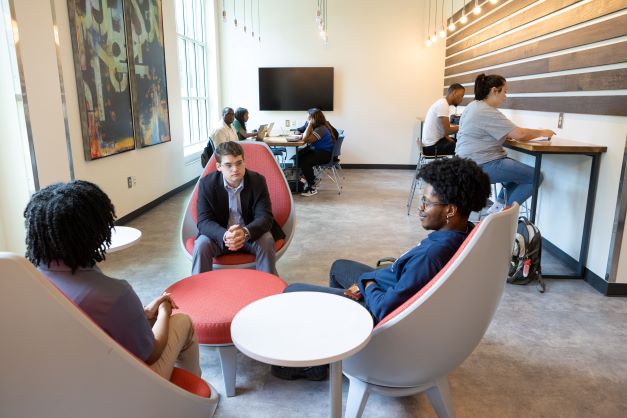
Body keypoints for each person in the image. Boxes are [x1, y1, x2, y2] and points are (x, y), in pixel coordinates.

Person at [272, 157, 490, 380]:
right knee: (340, 268)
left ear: (451, 210)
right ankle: (337, 346)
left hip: (379, 306)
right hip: (389, 284)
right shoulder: (462, 232)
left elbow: (386, 308)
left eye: (427, 202)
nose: (420, 207)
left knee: (293, 291)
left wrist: (367, 284)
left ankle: (322, 364)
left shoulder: (431, 256)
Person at [24, 180, 200, 380]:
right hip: (122, 382)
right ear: (95, 230)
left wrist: (144, 313)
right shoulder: (113, 294)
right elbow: (152, 353)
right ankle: (190, 398)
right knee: (182, 321)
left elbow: (97, 323)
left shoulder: (30, 279)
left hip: (65, 374)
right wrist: (163, 312)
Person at [455, 73, 555, 213]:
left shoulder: (473, 106)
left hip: (466, 163)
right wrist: (542, 132)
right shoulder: (486, 111)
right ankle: (502, 216)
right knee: (536, 176)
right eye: (505, 91)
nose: (505, 96)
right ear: (495, 90)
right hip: (481, 165)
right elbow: (520, 134)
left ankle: (498, 208)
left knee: (514, 175)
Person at [192, 141, 285, 275]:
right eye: (228, 165)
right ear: (218, 166)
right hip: (220, 237)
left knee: (266, 240)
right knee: (201, 245)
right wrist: (225, 235)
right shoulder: (207, 184)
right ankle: (199, 291)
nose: (235, 169)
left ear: (244, 161)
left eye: (239, 163)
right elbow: (204, 221)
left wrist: (245, 232)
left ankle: (268, 289)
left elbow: (265, 217)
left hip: (250, 235)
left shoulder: (257, 181)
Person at [297, 109, 337, 197]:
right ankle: (307, 179)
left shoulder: (320, 129)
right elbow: (306, 137)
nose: (307, 119)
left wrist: (309, 125)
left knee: (305, 162)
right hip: (319, 151)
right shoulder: (320, 127)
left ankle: (312, 187)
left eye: (308, 118)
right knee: (298, 157)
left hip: (324, 154)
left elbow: (305, 139)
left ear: (314, 118)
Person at [421, 83, 465, 156]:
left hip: (430, 144)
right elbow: (447, 130)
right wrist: (462, 127)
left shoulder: (442, 102)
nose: (461, 99)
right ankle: (456, 167)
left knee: (457, 142)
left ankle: (453, 166)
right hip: (431, 147)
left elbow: (443, 130)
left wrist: (447, 137)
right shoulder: (443, 105)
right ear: (454, 93)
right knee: (463, 147)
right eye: (461, 96)